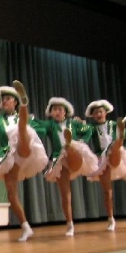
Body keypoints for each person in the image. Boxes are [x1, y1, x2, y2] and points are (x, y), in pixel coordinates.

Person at [0, 81, 48, 241]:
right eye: (3, 99)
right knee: (11, 195)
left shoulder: (25, 119)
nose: (5, 101)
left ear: (15, 102)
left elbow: (45, 128)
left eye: (8, 99)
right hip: (10, 156)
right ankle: (26, 227)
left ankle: (25, 103)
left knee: (22, 128)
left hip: (24, 147)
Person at [39, 97, 98, 237]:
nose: (57, 112)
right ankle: (70, 224)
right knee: (65, 194)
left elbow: (89, 130)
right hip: (59, 159)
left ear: (65, 112)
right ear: (51, 113)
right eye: (54, 110)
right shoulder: (50, 125)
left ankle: (70, 144)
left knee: (72, 148)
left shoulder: (73, 123)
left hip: (74, 155)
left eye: (60, 109)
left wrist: (83, 140)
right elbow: (38, 126)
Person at [83, 100, 126, 231]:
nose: (98, 114)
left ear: (105, 112)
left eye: (100, 111)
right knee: (107, 191)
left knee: (115, 146)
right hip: (102, 158)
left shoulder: (113, 124)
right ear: (93, 116)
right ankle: (111, 219)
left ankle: (118, 142)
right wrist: (80, 125)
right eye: (95, 113)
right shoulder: (92, 128)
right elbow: (85, 136)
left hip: (116, 154)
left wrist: (125, 148)